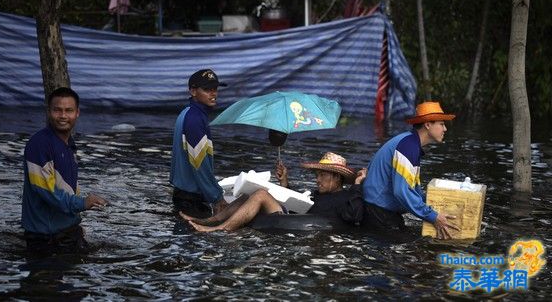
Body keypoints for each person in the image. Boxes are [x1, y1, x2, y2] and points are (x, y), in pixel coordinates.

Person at [181, 152, 366, 232]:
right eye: (317, 174)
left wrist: (357, 185)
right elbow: (298, 204)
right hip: (293, 217)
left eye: (322, 175)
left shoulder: (346, 197)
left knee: (261, 194)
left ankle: (219, 229)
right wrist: (284, 182)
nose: (317, 179)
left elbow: (354, 215)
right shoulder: (318, 195)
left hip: (303, 225)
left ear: (336, 178)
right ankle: (210, 220)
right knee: (249, 194)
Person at [21, 87, 107, 253]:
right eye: (57, 110)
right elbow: (47, 192)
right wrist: (82, 203)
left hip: (67, 231)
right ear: (48, 112)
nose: (63, 116)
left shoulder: (69, 145)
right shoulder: (39, 144)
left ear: (77, 113)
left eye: (68, 110)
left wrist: (76, 219)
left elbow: (68, 187)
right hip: (46, 238)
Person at [362, 101, 460, 239]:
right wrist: (432, 216)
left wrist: (433, 206)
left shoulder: (409, 142)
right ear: (427, 125)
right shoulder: (408, 146)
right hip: (377, 211)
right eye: (441, 124)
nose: (445, 129)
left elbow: (411, 187)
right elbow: (401, 191)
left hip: (378, 209)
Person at [170, 69, 229, 219]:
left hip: (184, 194)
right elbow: (200, 164)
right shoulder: (195, 119)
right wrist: (217, 197)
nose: (213, 94)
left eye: (215, 89)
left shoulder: (187, 113)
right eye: (207, 89)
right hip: (191, 201)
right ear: (193, 91)